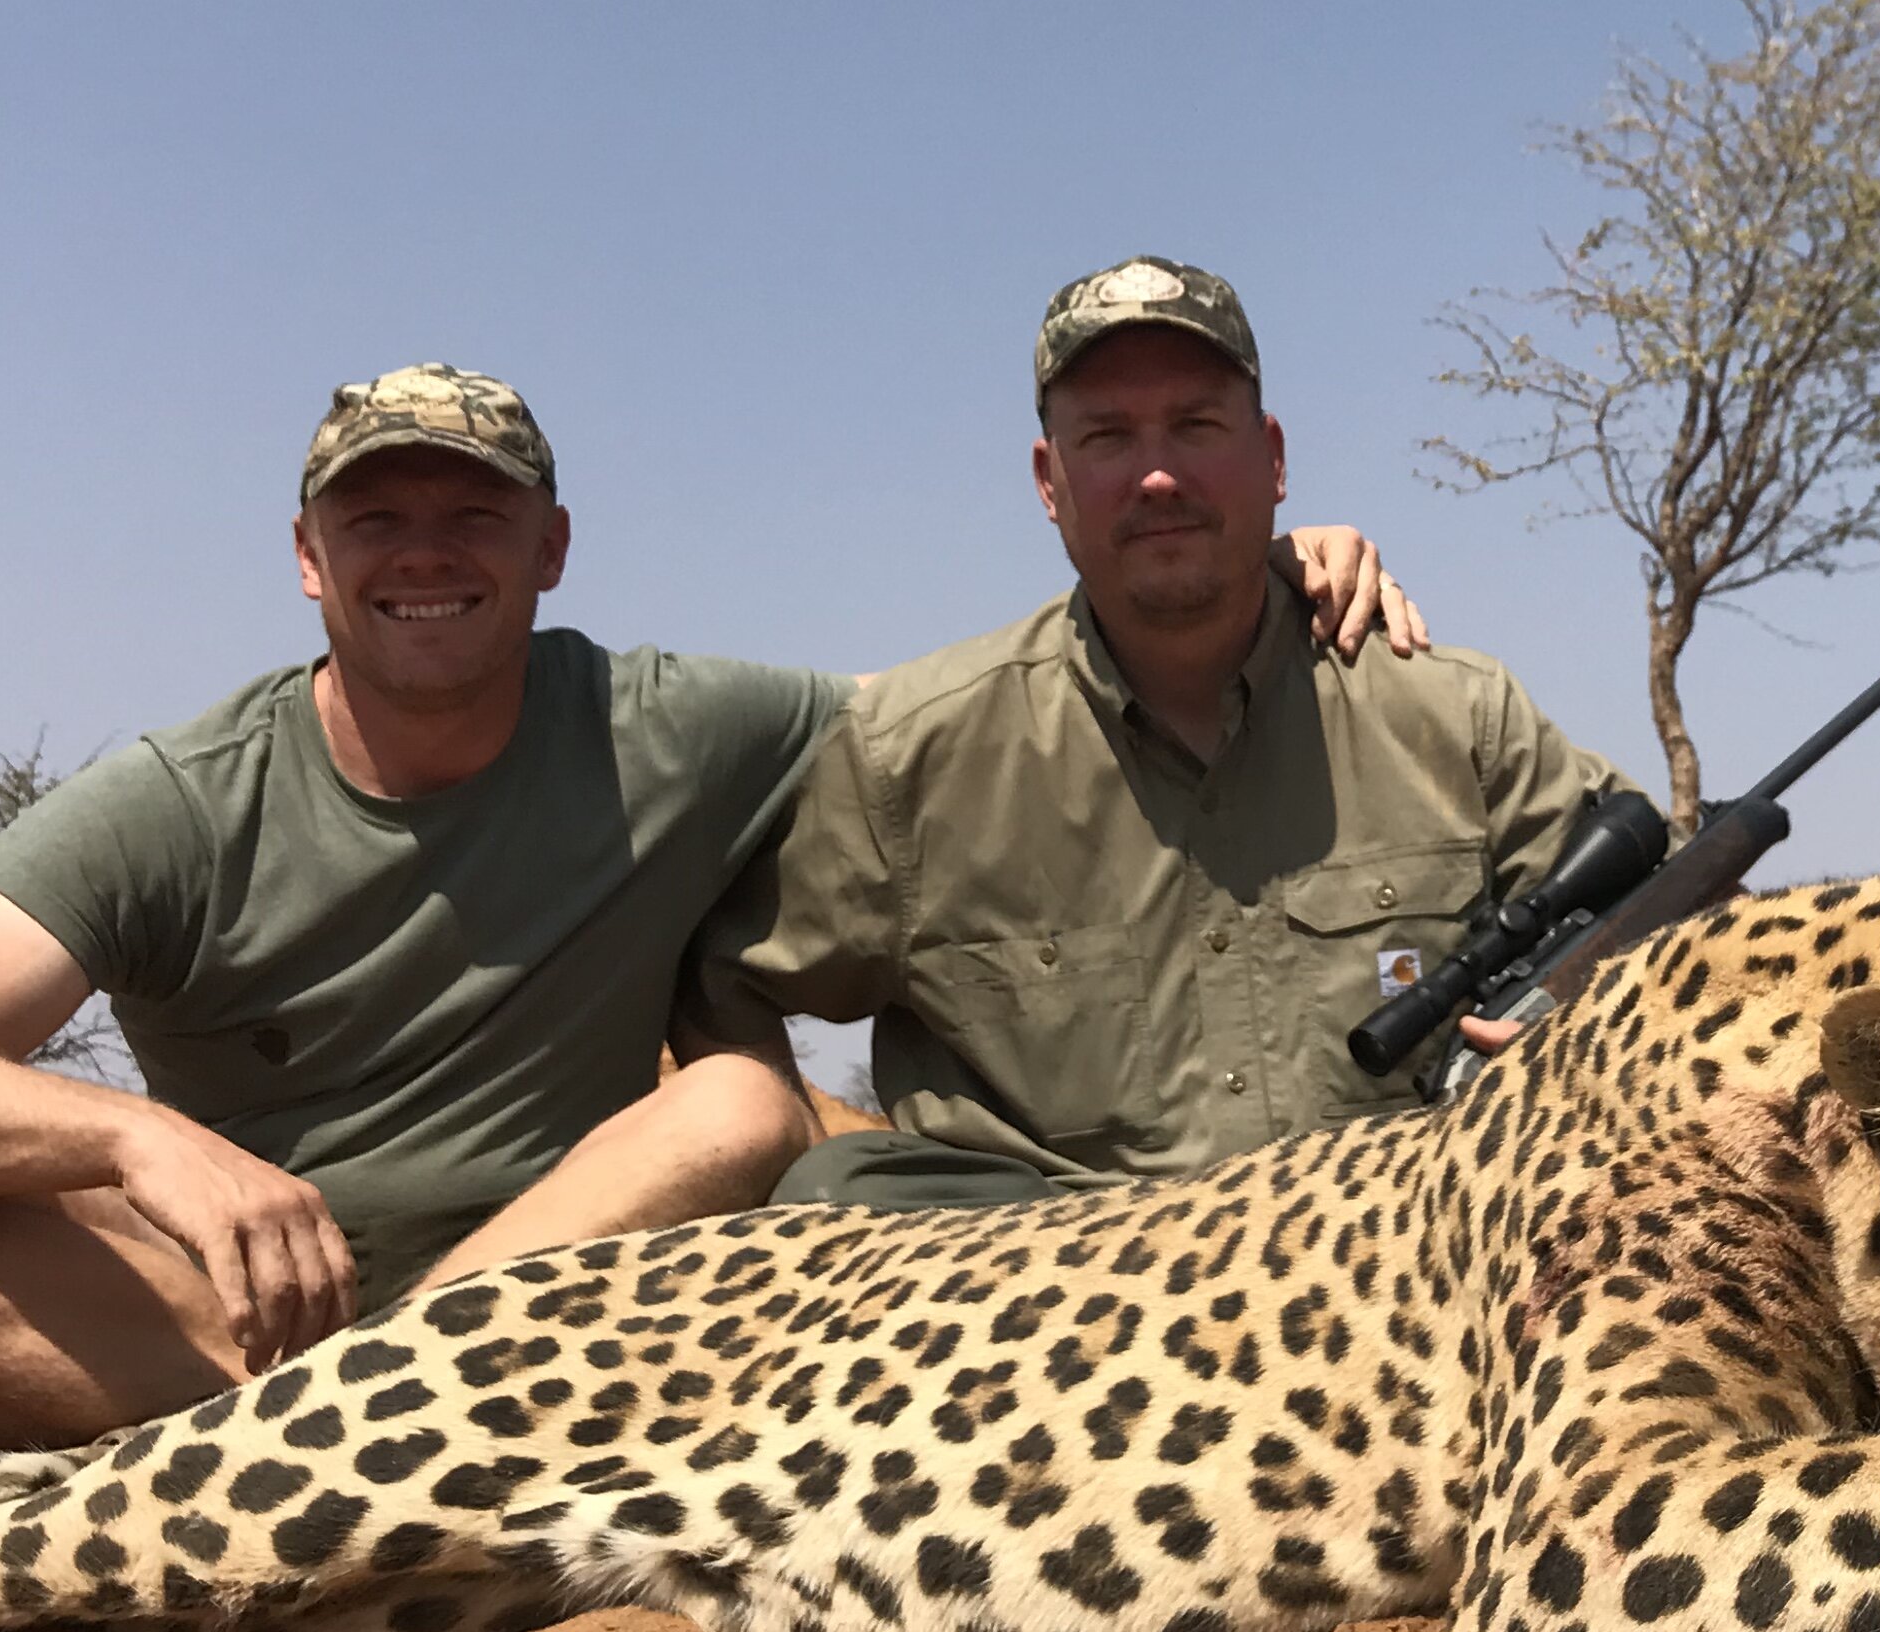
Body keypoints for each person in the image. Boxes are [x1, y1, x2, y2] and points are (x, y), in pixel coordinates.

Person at [0, 361, 1420, 1524]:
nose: (424, 552)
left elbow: (996, 712)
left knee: (741, 1106)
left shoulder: (674, 722)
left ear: (549, 546)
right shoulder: (176, 797)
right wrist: (138, 1137)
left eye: (471, 513)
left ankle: (118, 1485)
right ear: (308, 556)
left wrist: (1264, 572)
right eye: (375, 517)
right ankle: (307, 1465)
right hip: (236, 1321)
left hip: (583, 1313)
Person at [690, 255, 1635, 1208]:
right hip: (1044, 1314)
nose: (1156, 475)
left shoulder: (1455, 716)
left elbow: (1663, 931)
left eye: (1196, 425)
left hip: (1392, 1273)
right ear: (1046, 479)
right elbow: (726, 991)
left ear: (1271, 457)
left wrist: (1581, 1049)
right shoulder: (910, 754)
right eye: (1105, 436)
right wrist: (814, 1152)